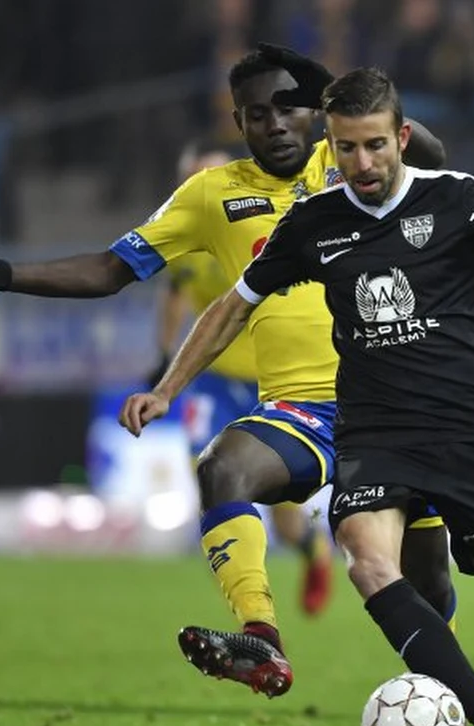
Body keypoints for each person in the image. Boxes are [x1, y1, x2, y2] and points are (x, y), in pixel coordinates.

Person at [119, 67, 474, 726]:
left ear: (402, 137)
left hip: (467, 430)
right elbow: (233, 307)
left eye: (374, 146)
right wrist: (166, 387)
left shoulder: (461, 199)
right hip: (374, 431)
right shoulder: (312, 223)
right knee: (369, 563)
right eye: (345, 149)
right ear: (330, 146)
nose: (361, 165)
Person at [0, 45, 462, 705]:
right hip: (301, 411)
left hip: (400, 408)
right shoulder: (212, 196)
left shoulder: (350, 162)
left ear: (316, 112)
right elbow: (111, 269)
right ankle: (262, 638)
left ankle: (454, 700)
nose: (275, 123)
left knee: (430, 584)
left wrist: (340, 92)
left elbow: (431, 156)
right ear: (240, 124)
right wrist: (2, 274)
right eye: (257, 114)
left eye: (289, 106)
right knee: (220, 469)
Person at [153, 134, 333, 617]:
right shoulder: (184, 240)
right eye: (195, 176)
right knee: (205, 467)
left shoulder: (259, 225)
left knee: (286, 516)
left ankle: (312, 549)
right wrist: (163, 355)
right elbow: (173, 295)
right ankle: (247, 581)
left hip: (266, 381)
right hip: (211, 379)